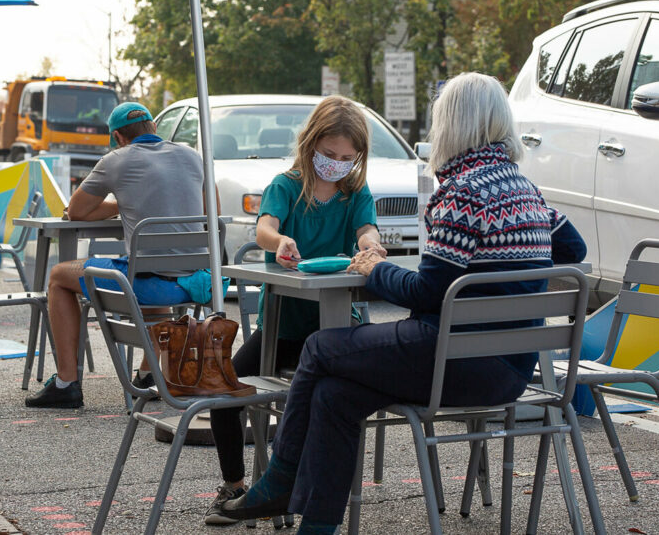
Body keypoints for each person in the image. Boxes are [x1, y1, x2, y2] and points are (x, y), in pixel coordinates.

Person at [220, 73, 587, 535]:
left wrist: (376, 271)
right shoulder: (527, 192)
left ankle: (278, 481)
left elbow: (427, 294)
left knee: (318, 349)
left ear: (450, 122)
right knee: (336, 396)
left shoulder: (462, 192)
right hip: (509, 373)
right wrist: (509, 268)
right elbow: (573, 251)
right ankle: (314, 525)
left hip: (449, 364)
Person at [205, 95, 386, 525]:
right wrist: (278, 242)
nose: (337, 164)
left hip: (340, 329)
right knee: (223, 392)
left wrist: (370, 245)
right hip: (284, 328)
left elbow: (366, 228)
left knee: (324, 404)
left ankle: (298, 490)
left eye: (347, 157)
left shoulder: (355, 193)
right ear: (310, 145)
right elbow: (265, 226)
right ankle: (235, 487)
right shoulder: (285, 185)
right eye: (329, 155)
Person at [25, 101, 214, 409]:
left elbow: (76, 211)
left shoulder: (116, 160)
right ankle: (147, 374)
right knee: (152, 267)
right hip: (197, 280)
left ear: (117, 138)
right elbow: (210, 213)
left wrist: (121, 203)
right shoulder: (194, 156)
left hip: (150, 284)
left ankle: (66, 382)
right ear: (154, 128)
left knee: (60, 276)